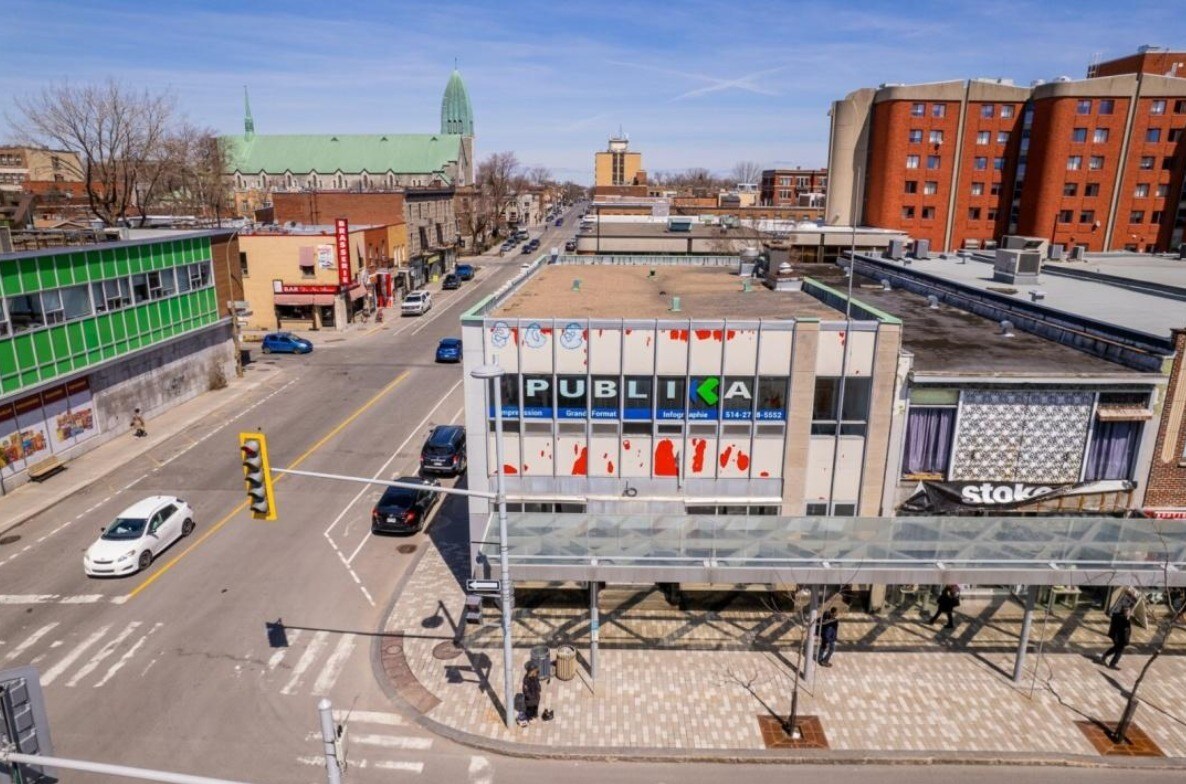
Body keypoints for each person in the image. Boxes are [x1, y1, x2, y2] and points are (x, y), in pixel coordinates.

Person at [1098, 588, 1138, 670]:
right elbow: (1126, 632)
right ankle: (1112, 664)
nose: (1130, 613)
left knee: (1116, 648)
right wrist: (1126, 641)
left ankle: (1105, 656)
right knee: (1119, 651)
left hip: (1115, 636)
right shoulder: (1125, 621)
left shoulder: (1116, 616)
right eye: (1129, 612)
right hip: (1120, 638)